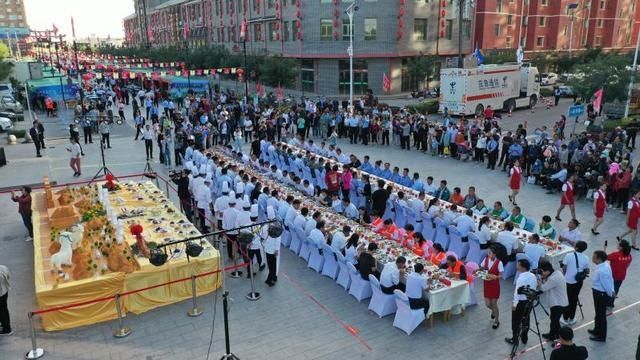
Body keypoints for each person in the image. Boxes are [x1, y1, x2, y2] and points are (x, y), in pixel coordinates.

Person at [505, 259, 537, 345]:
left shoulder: (521, 278)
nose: (517, 266)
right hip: (529, 301)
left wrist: (514, 304)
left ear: (522, 267)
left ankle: (515, 339)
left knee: (516, 321)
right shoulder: (533, 276)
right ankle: (524, 337)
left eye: (518, 265)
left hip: (521, 303)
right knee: (526, 319)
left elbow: (517, 292)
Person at [538, 260, 568, 341]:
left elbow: (543, 288)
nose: (542, 273)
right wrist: (544, 277)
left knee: (554, 321)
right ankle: (553, 334)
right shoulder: (557, 272)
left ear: (547, 270)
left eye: (542, 272)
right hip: (558, 301)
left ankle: (558, 337)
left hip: (558, 303)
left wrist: (539, 280)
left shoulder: (553, 278)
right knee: (554, 320)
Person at [589, 250, 615, 342]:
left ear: (599, 259)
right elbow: (611, 279)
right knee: (598, 314)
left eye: (594, 257)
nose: (592, 258)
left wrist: (610, 294)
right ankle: (596, 330)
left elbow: (607, 284)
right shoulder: (604, 265)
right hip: (599, 293)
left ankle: (601, 336)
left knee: (601, 316)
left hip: (601, 294)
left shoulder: (602, 270)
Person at [561, 241, 589, 326]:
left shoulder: (569, 255)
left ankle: (565, 318)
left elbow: (564, 267)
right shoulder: (586, 258)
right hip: (578, 281)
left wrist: (564, 275)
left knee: (567, 299)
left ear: (576, 248)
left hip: (568, 281)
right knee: (574, 299)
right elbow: (586, 269)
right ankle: (572, 318)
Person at [481, 246, 503, 329]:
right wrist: (479, 270)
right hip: (486, 284)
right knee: (487, 304)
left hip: (494, 285)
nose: (488, 254)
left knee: (494, 304)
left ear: (494, 254)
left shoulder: (499, 262)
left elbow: (501, 275)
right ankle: (494, 312)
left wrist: (495, 277)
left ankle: (497, 321)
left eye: (489, 253)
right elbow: (482, 267)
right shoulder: (486, 259)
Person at [606, 239, 632, 307]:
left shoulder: (616, 255)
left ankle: (607, 302)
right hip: (621, 276)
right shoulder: (629, 256)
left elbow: (604, 257)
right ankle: (611, 303)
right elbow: (627, 266)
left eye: (618, 244)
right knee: (616, 289)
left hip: (612, 276)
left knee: (609, 288)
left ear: (621, 247)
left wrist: (604, 249)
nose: (617, 244)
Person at [262, 206, 281, 286]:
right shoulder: (277, 226)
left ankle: (271, 277)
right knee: (274, 265)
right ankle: (270, 279)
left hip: (267, 248)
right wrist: (277, 249)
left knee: (270, 264)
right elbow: (278, 239)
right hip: (274, 249)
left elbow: (262, 237)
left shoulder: (265, 226)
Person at [0, 265, 11, 336]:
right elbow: (8, 276)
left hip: (0, 293)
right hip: (5, 291)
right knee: (4, 309)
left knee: (2, 311)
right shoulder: (3, 267)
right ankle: (4, 324)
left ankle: (7, 329)